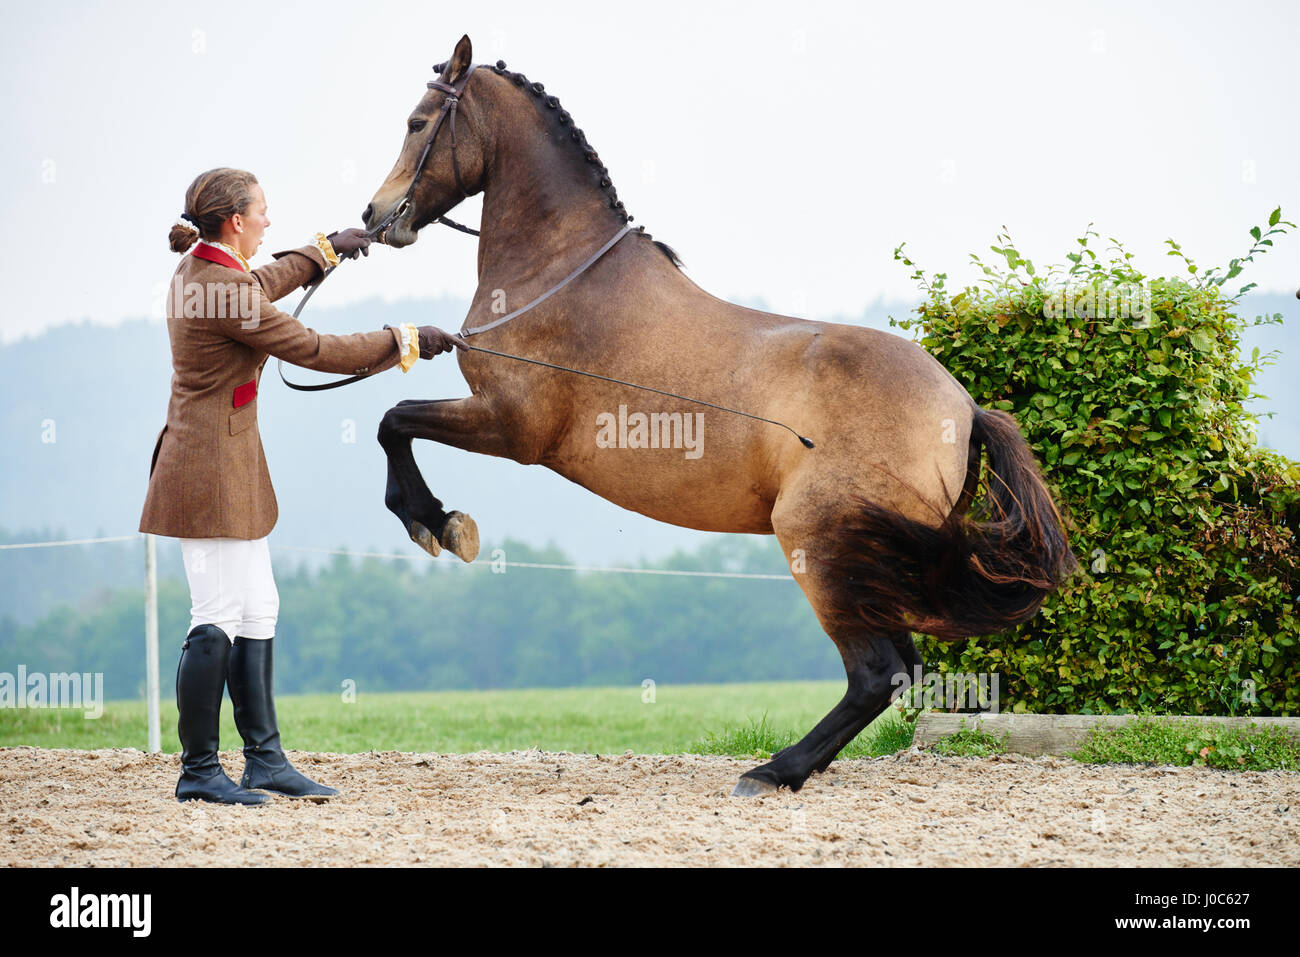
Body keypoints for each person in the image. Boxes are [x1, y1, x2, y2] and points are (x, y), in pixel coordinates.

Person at [140, 167, 463, 805]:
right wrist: (404, 341)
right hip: (204, 473)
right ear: (235, 220)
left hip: (226, 465)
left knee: (258, 609)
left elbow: (261, 282)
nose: (267, 221)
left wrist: (327, 252)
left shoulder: (208, 271)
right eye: (262, 212)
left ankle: (264, 761)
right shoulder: (218, 287)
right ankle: (198, 772)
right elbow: (311, 347)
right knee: (214, 618)